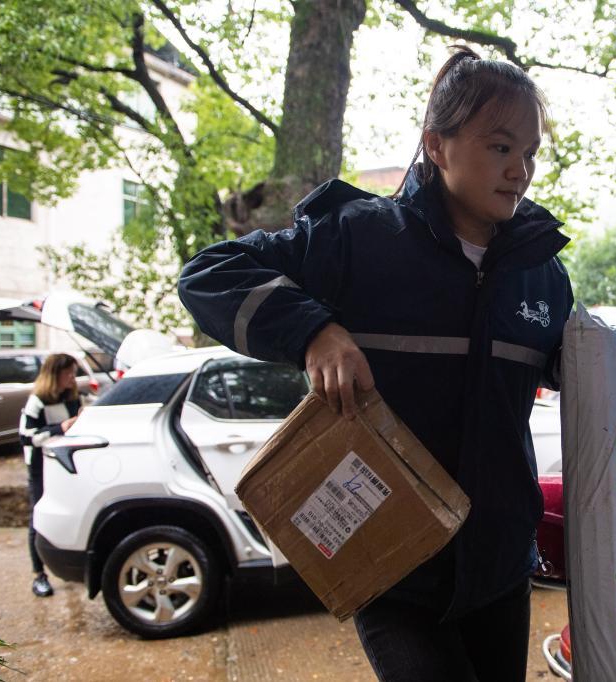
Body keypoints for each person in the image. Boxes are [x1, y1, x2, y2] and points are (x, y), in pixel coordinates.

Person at [178, 45, 572, 681]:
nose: (519, 169)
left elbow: (561, 374)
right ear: (437, 146)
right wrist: (315, 332)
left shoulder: (544, 276)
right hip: (390, 569)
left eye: (529, 153)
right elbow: (208, 273)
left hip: (500, 568)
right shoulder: (359, 238)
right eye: (501, 147)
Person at [19, 353, 81, 597]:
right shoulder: (37, 401)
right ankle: (39, 574)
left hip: (65, 464)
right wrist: (59, 428)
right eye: (68, 373)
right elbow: (26, 436)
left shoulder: (73, 397)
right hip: (40, 467)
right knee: (38, 518)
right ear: (55, 374)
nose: (72, 378)